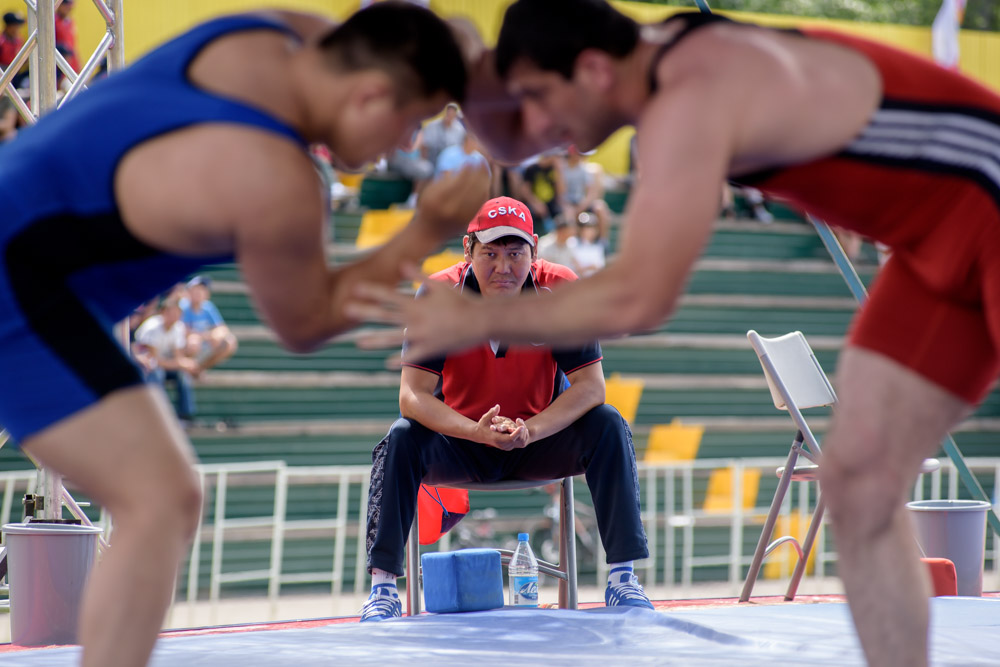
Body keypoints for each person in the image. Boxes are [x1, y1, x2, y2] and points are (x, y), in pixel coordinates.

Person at [348, 3, 1000, 666]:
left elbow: (645, 295)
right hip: (935, 240)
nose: (546, 127)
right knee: (858, 482)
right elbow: (516, 140)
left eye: (543, 98)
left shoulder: (692, 88)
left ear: (594, 70)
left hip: (989, 197)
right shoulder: (661, 79)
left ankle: (624, 573)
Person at [0, 4, 488, 666]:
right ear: (370, 93)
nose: (405, 146)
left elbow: (436, 35)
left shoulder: (278, 31)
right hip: (21, 286)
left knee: (165, 493)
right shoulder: (275, 178)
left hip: (31, 251)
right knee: (158, 496)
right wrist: (425, 229)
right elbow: (307, 322)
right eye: (408, 122)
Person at [361, 196, 649, 621]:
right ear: (467, 249)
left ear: (534, 249)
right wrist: (474, 431)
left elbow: (591, 389)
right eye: (490, 253)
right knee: (400, 437)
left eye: (515, 254)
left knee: (608, 424)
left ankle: (623, 579)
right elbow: (412, 396)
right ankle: (383, 588)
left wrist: (532, 428)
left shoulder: (560, 288)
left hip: (538, 441)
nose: (503, 267)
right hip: (461, 443)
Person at [133, 295, 200, 423]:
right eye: (171, 312)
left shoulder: (178, 327)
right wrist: (181, 363)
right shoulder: (152, 327)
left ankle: (186, 415)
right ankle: (160, 414)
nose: (174, 316)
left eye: (177, 313)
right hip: (144, 366)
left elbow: (177, 356)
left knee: (182, 375)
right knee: (158, 374)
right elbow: (155, 360)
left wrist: (183, 364)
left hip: (162, 365)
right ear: (163, 312)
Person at [180, 275, 238, 372]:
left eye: (203, 289)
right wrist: (207, 336)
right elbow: (184, 332)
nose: (199, 292)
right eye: (196, 289)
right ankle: (186, 372)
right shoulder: (183, 306)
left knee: (229, 342)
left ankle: (199, 370)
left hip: (203, 344)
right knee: (193, 342)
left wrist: (216, 335)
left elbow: (222, 328)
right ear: (189, 291)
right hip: (183, 346)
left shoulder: (208, 307)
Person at [420, 100, 466, 166]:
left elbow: (462, 148)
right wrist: (424, 163)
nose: (450, 114)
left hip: (450, 163)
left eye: (452, 112)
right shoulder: (432, 126)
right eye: (448, 111)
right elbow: (424, 146)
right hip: (432, 161)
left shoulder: (460, 129)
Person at [1, 11, 27, 89]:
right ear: (8, 26)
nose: (17, 29)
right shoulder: (1, 41)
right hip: (3, 73)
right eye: (15, 26)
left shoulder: (19, 40)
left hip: (16, 73)